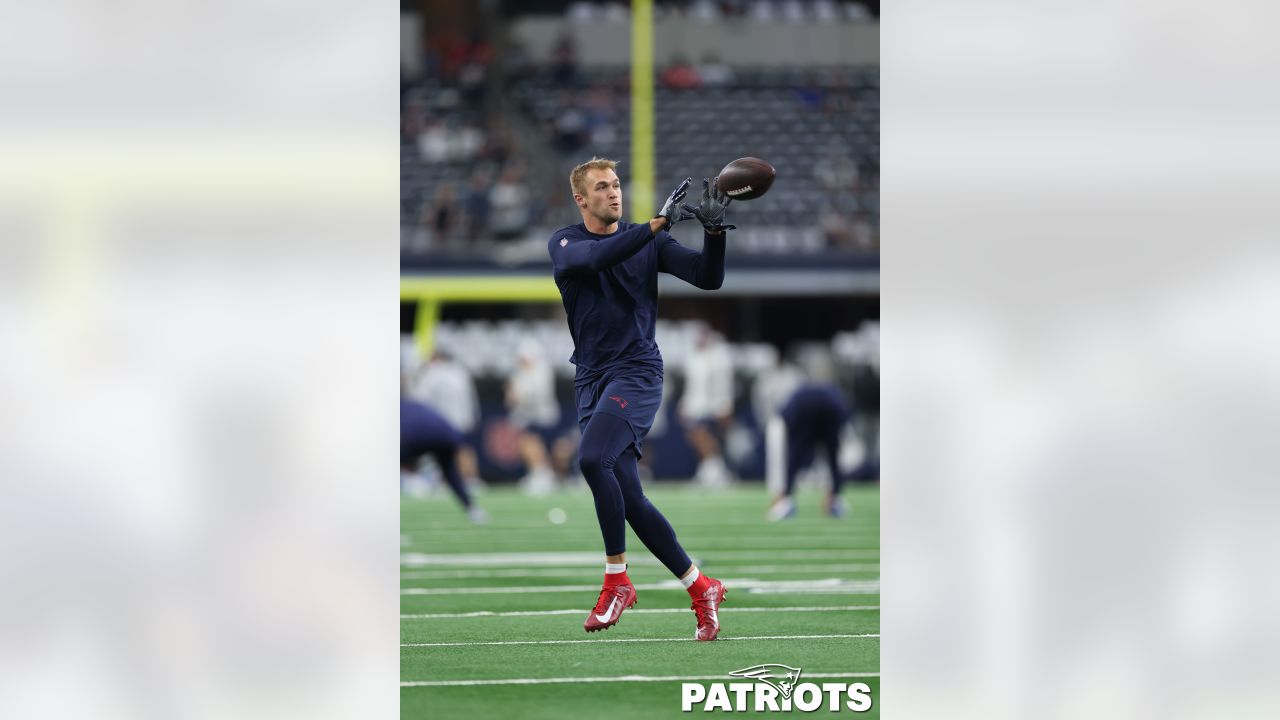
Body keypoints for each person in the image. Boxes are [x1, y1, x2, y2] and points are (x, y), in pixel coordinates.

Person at [547, 157, 735, 640]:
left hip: (636, 372)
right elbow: (594, 260)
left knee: (591, 460)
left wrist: (715, 236)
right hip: (591, 379)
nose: (613, 193)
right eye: (602, 187)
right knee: (629, 497)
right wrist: (656, 224)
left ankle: (616, 580)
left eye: (616, 185)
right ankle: (701, 586)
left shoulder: (649, 238)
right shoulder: (566, 242)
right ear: (580, 198)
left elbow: (707, 277)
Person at [767, 383, 853, 521]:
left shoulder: (797, 403)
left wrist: (782, 491)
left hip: (809, 410)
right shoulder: (829, 400)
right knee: (831, 455)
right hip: (827, 408)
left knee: (795, 456)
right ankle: (835, 499)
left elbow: (793, 455)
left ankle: (785, 501)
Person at [400, 396, 488, 524]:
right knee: (450, 471)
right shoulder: (416, 406)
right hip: (447, 435)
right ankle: (473, 510)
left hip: (418, 435)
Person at [679, 325, 736, 487]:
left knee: (705, 436)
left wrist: (725, 406)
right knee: (696, 437)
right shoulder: (694, 358)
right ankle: (712, 469)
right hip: (696, 406)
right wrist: (686, 404)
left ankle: (715, 470)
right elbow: (691, 385)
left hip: (714, 406)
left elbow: (724, 384)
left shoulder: (720, 357)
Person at [506, 338, 562, 494]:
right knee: (527, 445)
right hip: (527, 416)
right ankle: (538, 474)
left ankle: (541, 475)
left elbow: (537, 394)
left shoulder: (542, 370)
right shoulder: (520, 371)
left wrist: (517, 395)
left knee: (532, 445)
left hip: (541, 416)